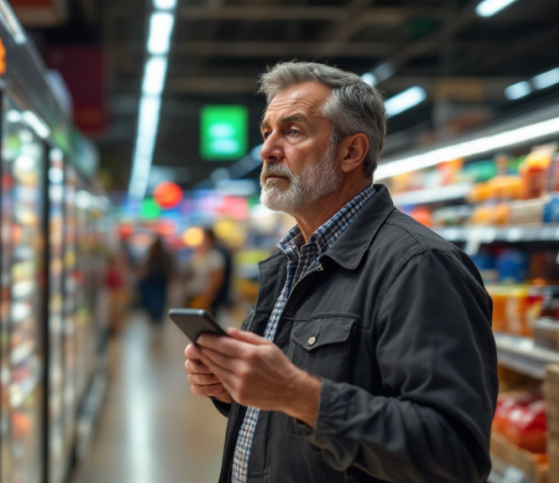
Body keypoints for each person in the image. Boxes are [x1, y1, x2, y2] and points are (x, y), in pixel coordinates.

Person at [183, 61, 497, 483]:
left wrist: (299, 395)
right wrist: (235, 388)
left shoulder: (418, 266)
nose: (267, 149)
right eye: (267, 132)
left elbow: (453, 453)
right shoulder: (290, 262)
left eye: (292, 131)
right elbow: (290, 404)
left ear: (351, 152)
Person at [184, 227, 226, 315]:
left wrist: (207, 298)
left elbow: (216, 279)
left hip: (204, 298)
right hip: (193, 294)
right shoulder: (198, 255)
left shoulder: (215, 256)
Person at [138, 236, 173, 324]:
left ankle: (155, 319)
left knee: (153, 302)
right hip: (157, 282)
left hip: (155, 282)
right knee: (158, 303)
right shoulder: (162, 255)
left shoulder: (155, 254)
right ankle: (156, 320)